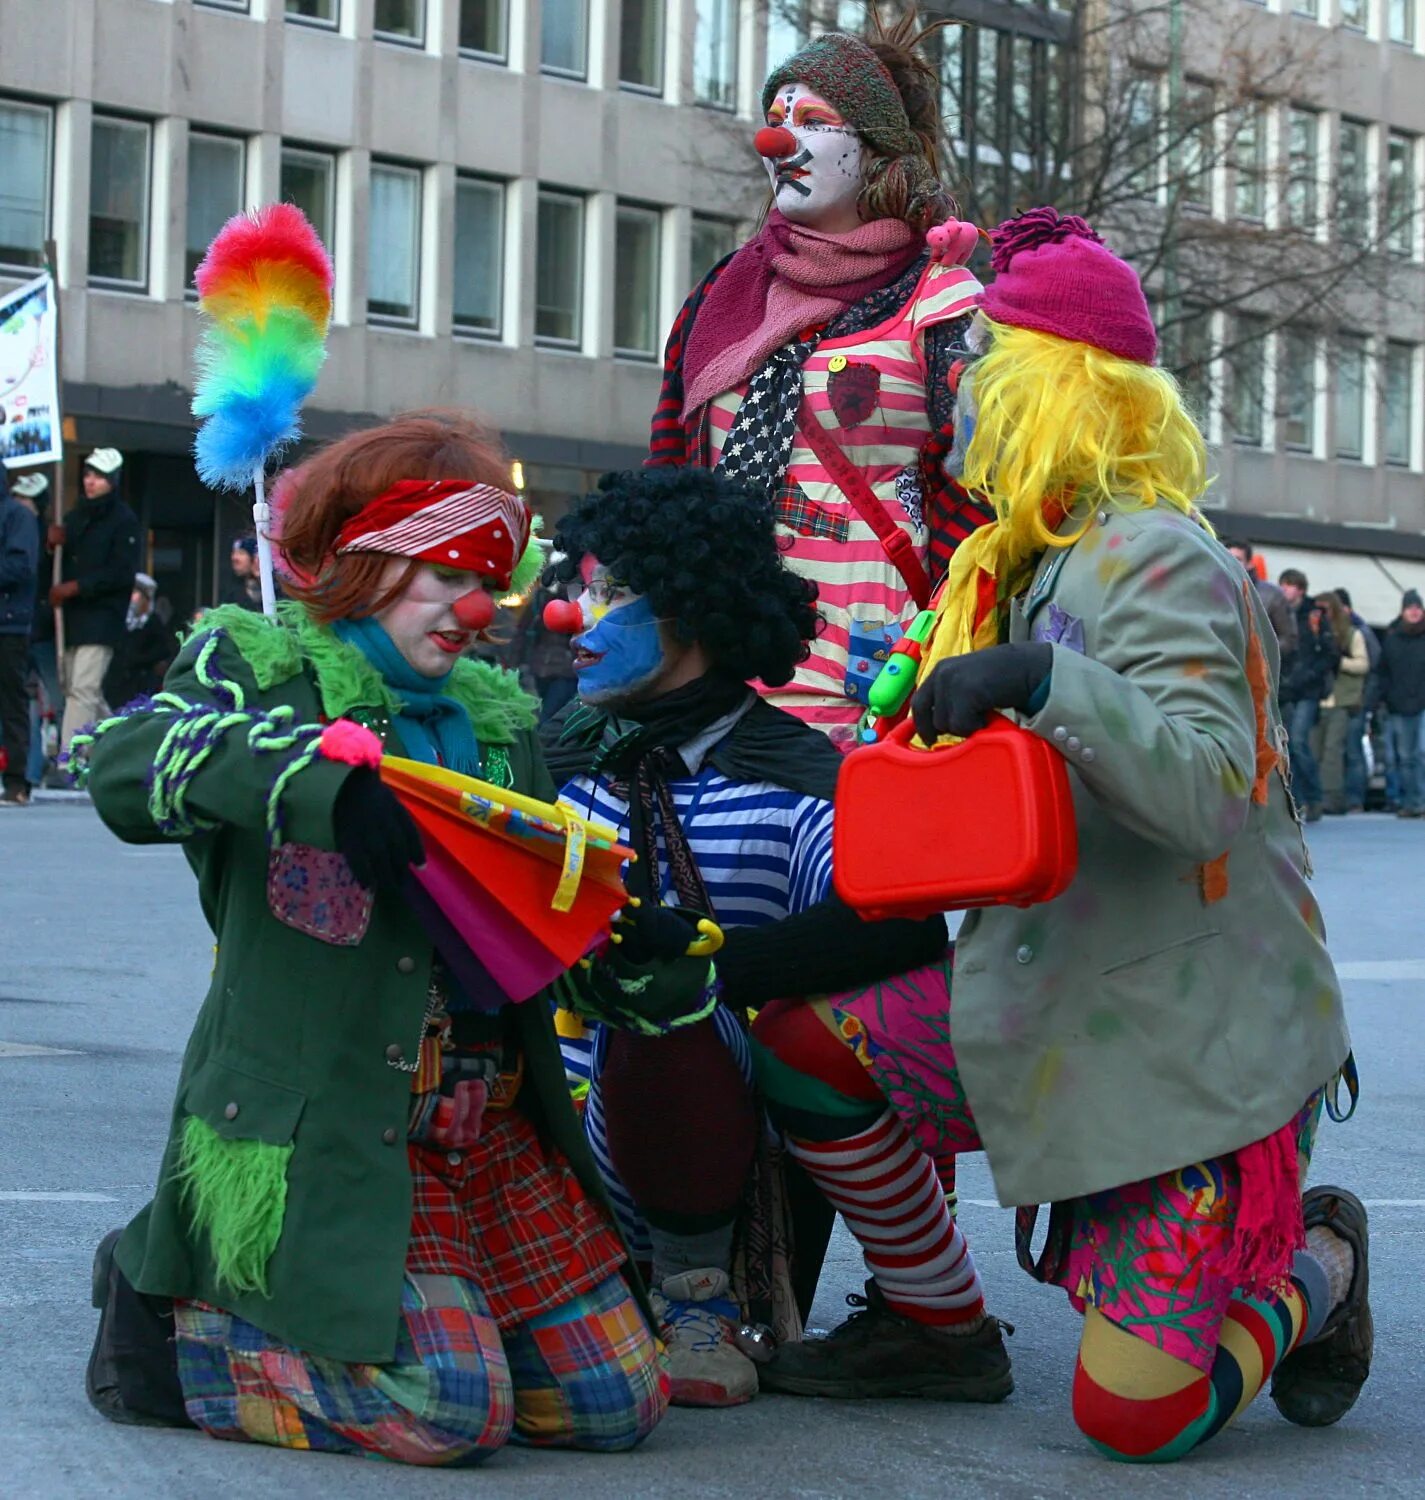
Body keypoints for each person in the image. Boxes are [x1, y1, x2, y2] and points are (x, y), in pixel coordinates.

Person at [757, 210, 1367, 1461]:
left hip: (1179, 1053)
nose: (966, 405)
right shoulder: (1008, 564)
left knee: (1133, 1419)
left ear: (1058, 393)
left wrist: (1040, 679)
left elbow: (1206, 789)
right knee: (805, 1043)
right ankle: (936, 1325)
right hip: (1038, 1001)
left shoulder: (1155, 560)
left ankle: (1324, 1263)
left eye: (989, 377)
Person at [73, 413, 666, 1464]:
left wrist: (636, 952)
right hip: (328, 1129)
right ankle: (183, 1329)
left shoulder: (495, 717)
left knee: (616, 1404)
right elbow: (124, 762)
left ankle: (441, 1326)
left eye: (485, 574)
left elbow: (530, 913)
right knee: (448, 1413)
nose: (472, 605)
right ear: (361, 561)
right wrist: (310, 782)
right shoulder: (260, 663)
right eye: (438, 572)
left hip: (481, 1125)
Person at [541, 466, 1002, 1408]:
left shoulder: (796, 773)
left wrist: (708, 967)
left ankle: (703, 1305)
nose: (574, 616)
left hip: (728, 1147)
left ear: (694, 615)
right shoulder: (548, 760)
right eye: (582, 586)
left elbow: (896, 920)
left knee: (663, 1001)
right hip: (556, 1131)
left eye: (612, 592)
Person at [647, 11, 991, 745]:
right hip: (712, 687)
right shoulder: (722, 296)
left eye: (811, 119)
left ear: (873, 150)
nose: (777, 141)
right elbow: (669, 472)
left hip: (869, 696)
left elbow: (981, 502)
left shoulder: (942, 302)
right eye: (774, 119)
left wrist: (952, 666)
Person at [45, 447, 141, 751]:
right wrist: (53, 544)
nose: (90, 482)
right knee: (78, 689)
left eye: (98, 476)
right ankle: (122, 747)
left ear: (112, 481)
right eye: (88, 474)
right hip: (73, 617)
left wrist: (78, 587)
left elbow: (121, 573)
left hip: (102, 617)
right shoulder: (75, 517)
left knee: (82, 690)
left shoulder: (124, 521)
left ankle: (69, 759)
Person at [1277, 568, 1339, 821]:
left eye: (1290, 585)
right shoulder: (1279, 612)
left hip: (1307, 688)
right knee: (1288, 745)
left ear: (1300, 589)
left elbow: (1330, 653)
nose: (1285, 589)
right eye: (1283, 584)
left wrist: (1312, 675)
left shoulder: (1314, 615)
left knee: (1300, 742)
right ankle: (1299, 799)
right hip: (1286, 688)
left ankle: (1313, 798)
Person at [13, 471, 62, 785]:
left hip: (41, 629)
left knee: (58, 699)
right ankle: (28, 770)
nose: (20, 504)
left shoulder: (45, 538)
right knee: (22, 702)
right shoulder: (13, 529)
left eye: (26, 500)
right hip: (18, 627)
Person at [0, 464, 40, 807]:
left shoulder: (17, 517)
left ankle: (16, 781)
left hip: (8, 623)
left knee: (11, 702)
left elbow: (20, 566)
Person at [1315, 592, 1370, 816]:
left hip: (1340, 699)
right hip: (1319, 698)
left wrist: (1340, 662)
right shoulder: (1314, 632)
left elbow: (1363, 664)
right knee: (1313, 748)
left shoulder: (1351, 634)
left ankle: (1332, 797)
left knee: (1332, 751)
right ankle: (1316, 797)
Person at [1377, 589, 1425, 818]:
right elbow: (1382, 673)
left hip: (1422, 705)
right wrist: (1380, 699)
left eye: (1418, 607)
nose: (1414, 612)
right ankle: (1411, 802)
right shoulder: (1392, 639)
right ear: (1403, 611)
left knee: (1422, 753)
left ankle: (1421, 800)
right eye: (1410, 608)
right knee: (1406, 757)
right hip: (1399, 705)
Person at [103, 573, 178, 709]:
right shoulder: (120, 621)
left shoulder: (153, 623)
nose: (132, 599)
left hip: (141, 684)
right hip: (117, 685)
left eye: (137, 594)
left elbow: (162, 651)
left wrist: (140, 660)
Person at [1223, 540, 1297, 661]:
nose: (1231, 563)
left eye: (1237, 559)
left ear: (1249, 564)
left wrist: (1262, 656)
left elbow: (1288, 638)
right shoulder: (1212, 590)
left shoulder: (1272, 595)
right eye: (1227, 557)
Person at [222, 536, 263, 610]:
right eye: (233, 553)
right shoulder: (231, 591)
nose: (234, 558)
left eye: (241, 553)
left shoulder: (275, 586)